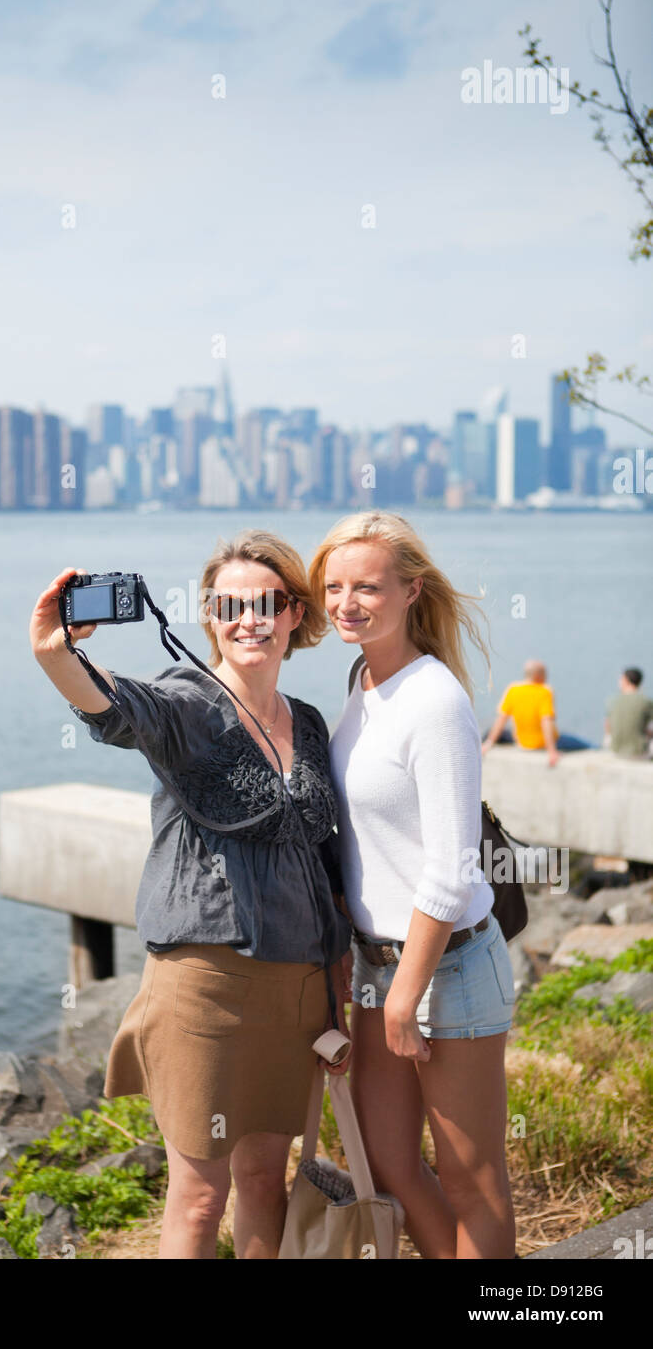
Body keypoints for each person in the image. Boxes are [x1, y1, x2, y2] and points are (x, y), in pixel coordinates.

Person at [29, 532, 351, 1260]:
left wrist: (340, 978)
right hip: (206, 988)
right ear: (208, 615)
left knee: (267, 1179)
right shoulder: (187, 704)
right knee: (201, 1198)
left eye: (267, 604)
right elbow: (117, 709)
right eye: (230, 606)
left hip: (299, 989)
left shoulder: (307, 721)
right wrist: (57, 654)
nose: (249, 620)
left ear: (294, 614)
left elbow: (323, 858)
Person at [310, 511, 516, 1259]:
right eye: (333, 587)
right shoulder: (363, 680)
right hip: (377, 964)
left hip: (448, 965)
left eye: (367, 587)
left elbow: (452, 865)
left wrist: (407, 991)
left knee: (474, 1182)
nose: (346, 603)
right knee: (389, 1161)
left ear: (411, 591)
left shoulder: (433, 700)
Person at [604, 668, 653, 759]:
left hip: (615, 750)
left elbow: (607, 726)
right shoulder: (646, 702)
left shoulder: (613, 701)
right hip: (639, 752)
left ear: (625, 680)